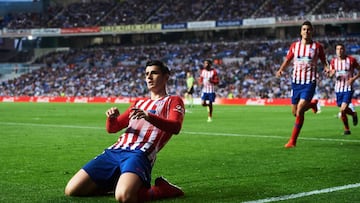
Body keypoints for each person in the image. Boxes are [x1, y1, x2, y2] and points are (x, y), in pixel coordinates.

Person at [64, 60, 185, 203]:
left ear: (166, 77)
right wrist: (111, 118)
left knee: (124, 197)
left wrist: (149, 116)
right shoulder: (139, 103)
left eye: (154, 73)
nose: (149, 77)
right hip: (114, 151)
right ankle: (119, 182)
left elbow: (175, 127)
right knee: (72, 190)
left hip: (139, 153)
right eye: (146, 74)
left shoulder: (173, 100)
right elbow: (113, 128)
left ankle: (162, 189)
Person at [276, 21, 329, 148]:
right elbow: (288, 59)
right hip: (295, 82)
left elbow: (324, 61)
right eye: (304, 29)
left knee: (300, 110)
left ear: (312, 31)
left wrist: (327, 68)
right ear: (301, 32)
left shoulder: (317, 47)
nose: (306, 31)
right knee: (295, 112)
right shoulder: (295, 46)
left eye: (309, 29)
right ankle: (312, 105)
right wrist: (281, 69)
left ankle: (292, 141)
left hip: (309, 82)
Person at [328, 43, 359, 135]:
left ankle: (350, 122)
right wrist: (331, 74)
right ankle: (349, 124)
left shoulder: (351, 60)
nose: (339, 51)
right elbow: (331, 74)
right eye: (337, 49)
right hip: (338, 89)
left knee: (343, 109)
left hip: (348, 88)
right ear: (336, 51)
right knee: (343, 110)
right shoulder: (333, 61)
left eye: (341, 49)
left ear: (344, 50)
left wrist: (353, 79)